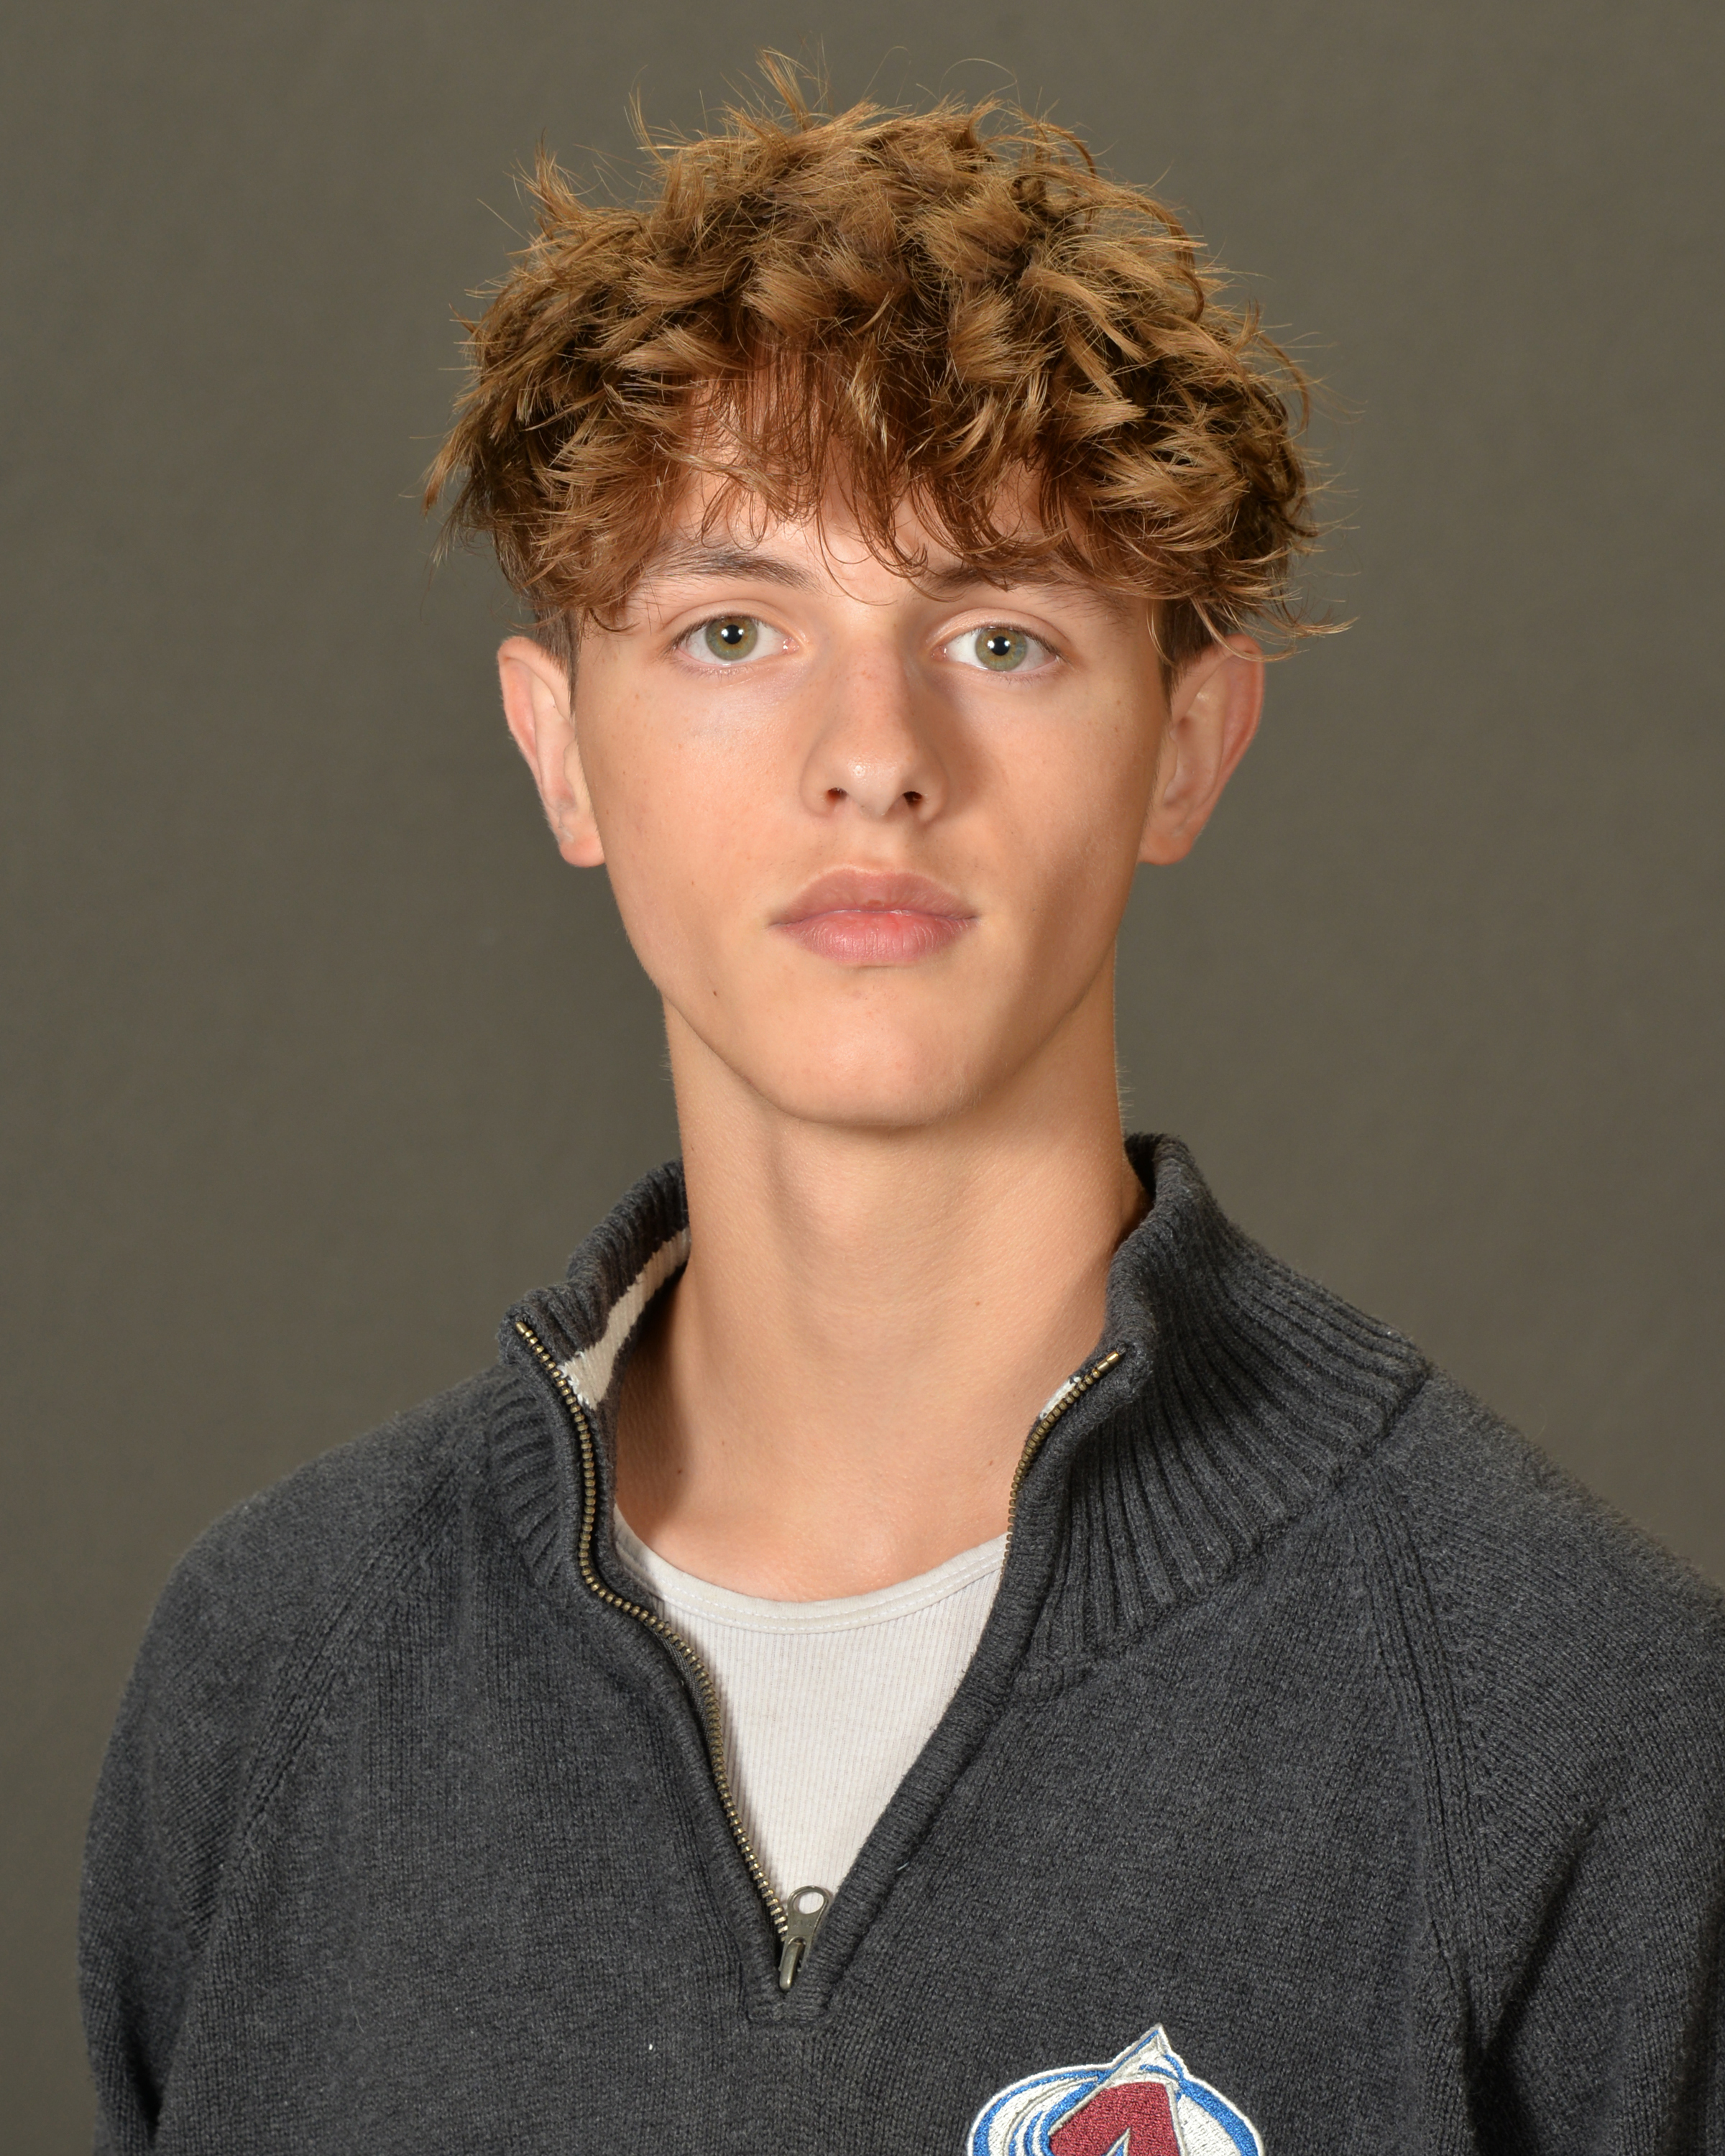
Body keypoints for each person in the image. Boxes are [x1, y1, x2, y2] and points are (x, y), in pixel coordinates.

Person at [80, 67, 1724, 2155]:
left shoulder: (1569, 1719)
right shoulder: (272, 1676)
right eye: (734, 629)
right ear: (560, 749)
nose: (875, 752)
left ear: (1189, 746)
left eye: (1004, 635)